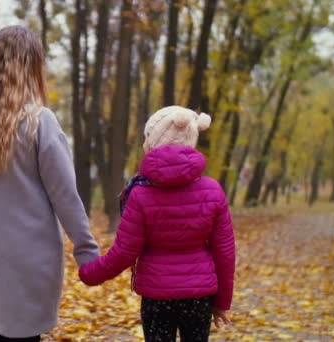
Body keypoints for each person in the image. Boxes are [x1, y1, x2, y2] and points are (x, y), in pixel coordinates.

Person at [0, 26, 99, 342]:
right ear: (32, 66)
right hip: (32, 256)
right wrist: (87, 252)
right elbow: (65, 196)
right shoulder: (39, 122)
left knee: (3, 333)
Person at [79, 106, 236, 342]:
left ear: (152, 143)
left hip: (157, 295)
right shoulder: (212, 191)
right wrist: (222, 301)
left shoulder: (140, 194)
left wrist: (91, 273)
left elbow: (125, 252)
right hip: (199, 295)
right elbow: (224, 252)